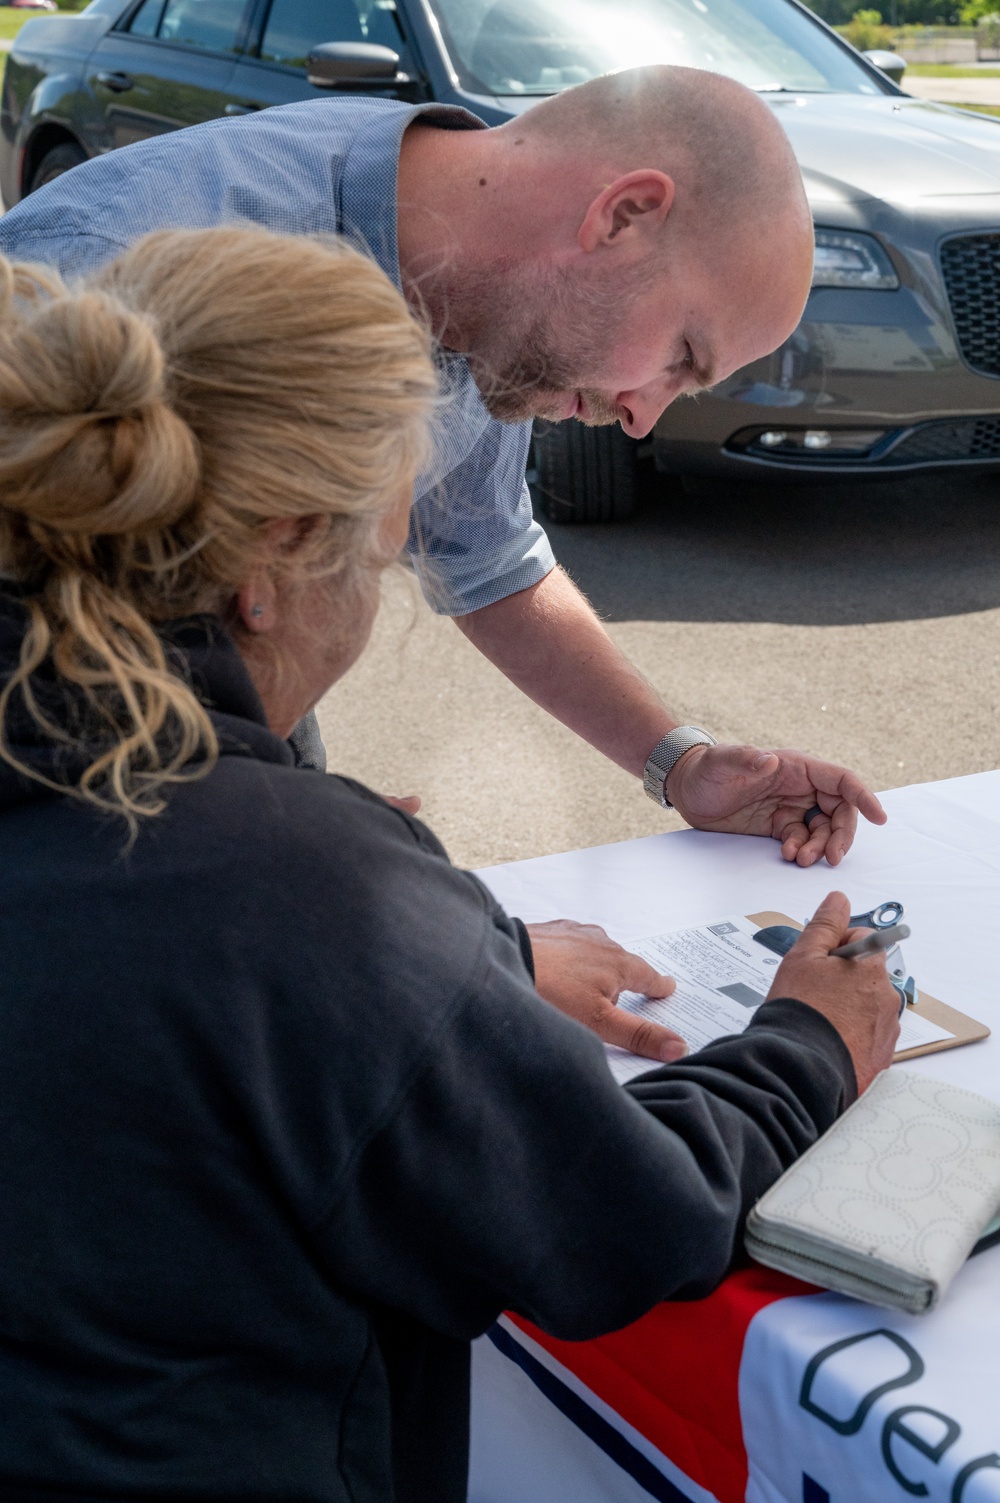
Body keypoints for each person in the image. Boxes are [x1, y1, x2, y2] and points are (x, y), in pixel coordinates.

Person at [0, 226, 901, 1503]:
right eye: (381, 555)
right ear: (274, 562)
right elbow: (619, 1223)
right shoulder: (282, 882)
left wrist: (440, 950)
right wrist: (809, 1041)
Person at [0, 64, 887, 872]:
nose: (641, 414)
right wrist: (255, 847)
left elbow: (487, 560)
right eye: (682, 354)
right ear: (621, 216)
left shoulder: (500, 309)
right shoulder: (102, 260)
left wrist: (681, 763)